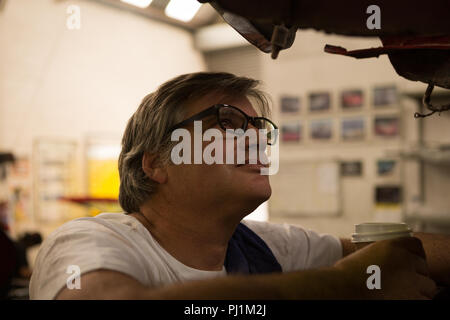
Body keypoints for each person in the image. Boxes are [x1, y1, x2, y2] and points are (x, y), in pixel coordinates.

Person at [29, 72, 449, 300]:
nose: (257, 138)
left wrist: (384, 260)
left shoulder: (264, 246)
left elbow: (377, 251)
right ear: (157, 163)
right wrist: (344, 286)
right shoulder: (88, 242)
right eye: (227, 123)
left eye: (259, 127)